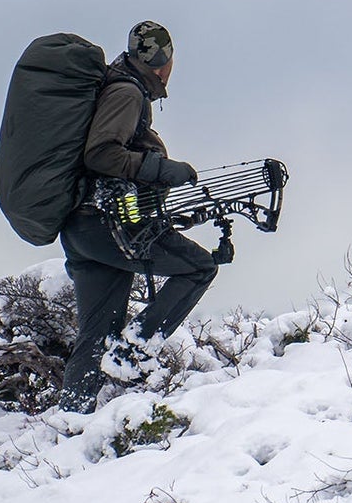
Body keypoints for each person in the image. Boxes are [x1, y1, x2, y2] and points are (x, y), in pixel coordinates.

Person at [57, 21, 232, 413]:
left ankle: (71, 419)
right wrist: (161, 169)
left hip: (83, 226)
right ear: (163, 64)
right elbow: (101, 155)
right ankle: (130, 353)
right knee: (198, 267)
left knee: (96, 333)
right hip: (109, 223)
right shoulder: (126, 93)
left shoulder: (114, 85)